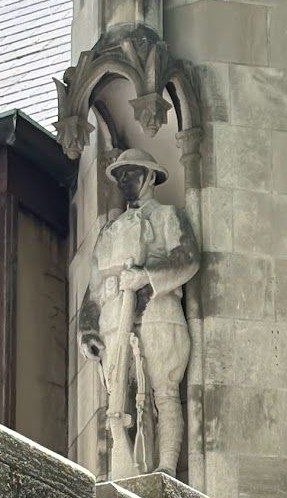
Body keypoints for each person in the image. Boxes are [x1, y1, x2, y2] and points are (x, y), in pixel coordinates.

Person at [79, 148, 200, 476]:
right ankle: (127, 469)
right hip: (114, 322)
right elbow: (93, 287)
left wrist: (146, 276)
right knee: (119, 400)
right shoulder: (109, 230)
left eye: (130, 174)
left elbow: (187, 258)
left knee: (164, 391)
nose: (123, 181)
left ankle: (166, 466)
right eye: (119, 176)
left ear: (149, 177)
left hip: (158, 314)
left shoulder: (167, 216)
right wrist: (88, 330)